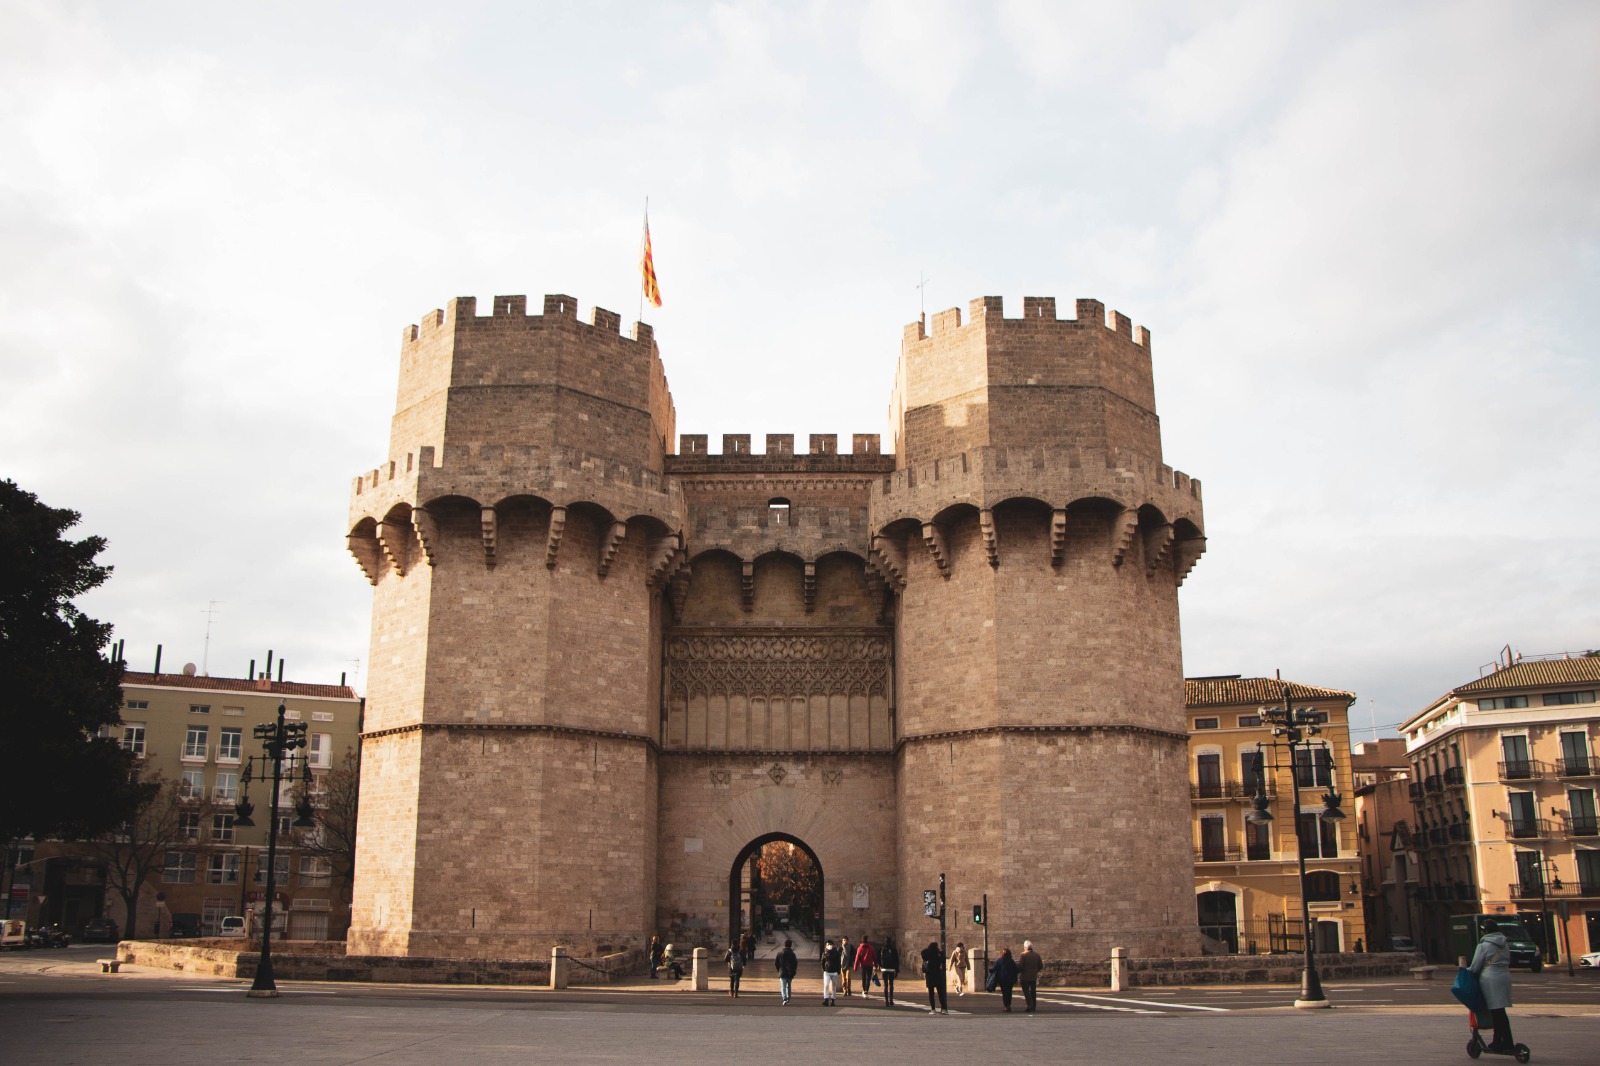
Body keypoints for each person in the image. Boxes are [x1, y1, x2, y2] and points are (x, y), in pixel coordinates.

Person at [1469, 919, 1516, 1052]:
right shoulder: (1504, 944)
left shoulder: (1483, 946)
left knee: (1496, 1012)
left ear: (1485, 931)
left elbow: (1475, 966)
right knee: (1500, 1011)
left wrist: (1466, 972)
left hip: (1490, 978)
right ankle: (1500, 1040)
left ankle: (1505, 1042)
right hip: (1504, 976)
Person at [921, 940, 948, 1014]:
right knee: (941, 993)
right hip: (938, 976)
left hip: (930, 976)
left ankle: (933, 1009)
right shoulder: (938, 954)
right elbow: (943, 960)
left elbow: (923, 953)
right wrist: (940, 952)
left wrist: (930, 949)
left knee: (931, 994)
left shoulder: (927, 954)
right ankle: (944, 1009)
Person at [990, 947, 1019, 1012]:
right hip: (1010, 980)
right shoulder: (1011, 961)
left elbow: (994, 968)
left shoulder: (999, 960)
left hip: (1002, 979)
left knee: (1004, 993)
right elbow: (1016, 970)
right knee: (1009, 992)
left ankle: (1006, 1006)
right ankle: (1008, 1005)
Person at [1017, 940, 1042, 1012]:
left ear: (1025, 947)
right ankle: (1033, 1006)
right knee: (1033, 992)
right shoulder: (1037, 955)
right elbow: (1040, 966)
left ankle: (1029, 1005)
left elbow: (1020, 966)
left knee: (1026, 992)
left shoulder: (1023, 955)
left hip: (1025, 977)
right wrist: (1035, 970)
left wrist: (1018, 971)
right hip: (1033, 976)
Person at [775, 937, 799, 1005]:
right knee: (789, 986)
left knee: (783, 986)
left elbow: (776, 963)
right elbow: (795, 963)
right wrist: (793, 971)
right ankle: (788, 998)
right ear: (791, 945)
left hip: (782, 972)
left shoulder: (780, 953)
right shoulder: (793, 954)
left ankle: (784, 998)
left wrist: (779, 970)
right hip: (790, 972)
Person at [820, 938, 843, 1005]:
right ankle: (826, 999)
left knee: (834, 986)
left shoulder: (836, 953)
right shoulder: (825, 953)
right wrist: (823, 970)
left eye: (830, 944)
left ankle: (833, 999)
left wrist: (838, 971)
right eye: (828, 945)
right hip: (827, 971)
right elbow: (822, 962)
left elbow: (839, 962)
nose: (829, 946)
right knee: (826, 985)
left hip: (834, 972)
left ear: (833, 945)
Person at [878, 937, 899, 1007]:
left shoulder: (881, 949)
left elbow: (878, 959)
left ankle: (886, 1000)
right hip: (892, 969)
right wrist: (897, 970)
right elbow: (897, 961)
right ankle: (891, 1000)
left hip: (884, 969)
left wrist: (880, 966)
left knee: (885, 985)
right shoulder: (893, 949)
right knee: (891, 984)